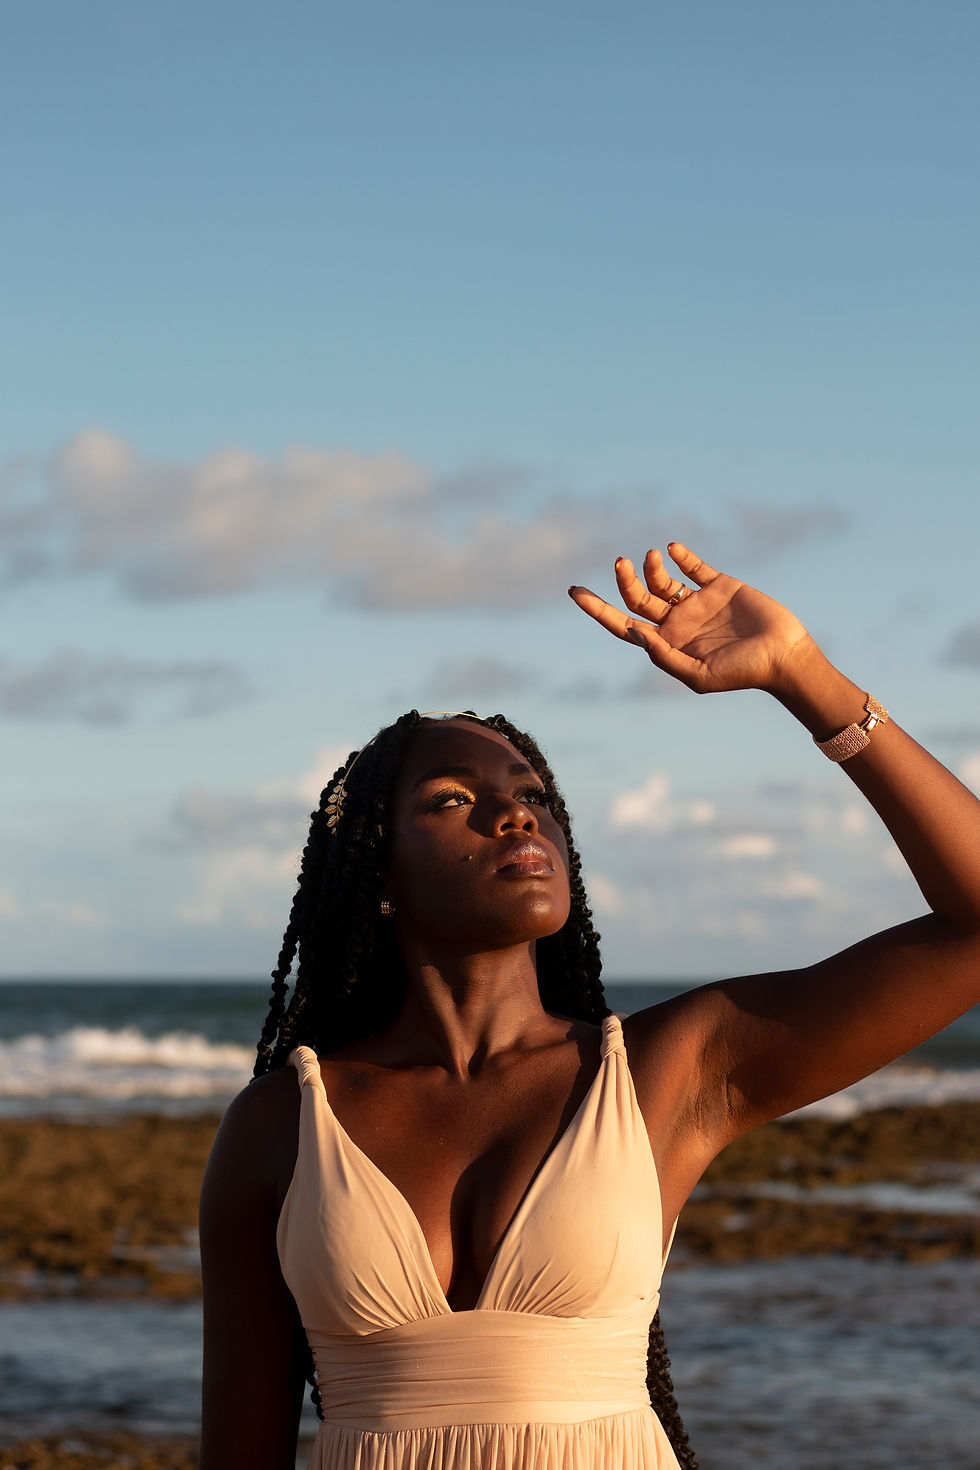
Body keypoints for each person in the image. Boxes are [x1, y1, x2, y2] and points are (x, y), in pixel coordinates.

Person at [199, 541, 980, 1470]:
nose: (517, 816)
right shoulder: (283, 1124)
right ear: (377, 874)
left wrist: (805, 679)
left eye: (534, 797)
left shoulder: (670, 1070)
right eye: (453, 800)